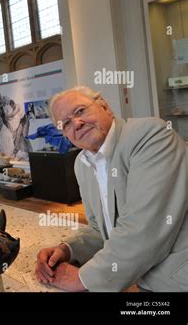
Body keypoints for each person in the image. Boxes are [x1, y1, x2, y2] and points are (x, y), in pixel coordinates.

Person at [34, 86, 187, 291]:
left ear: (105, 106)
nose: (77, 124)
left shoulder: (151, 136)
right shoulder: (83, 163)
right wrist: (68, 249)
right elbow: (103, 229)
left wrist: (83, 278)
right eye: (66, 123)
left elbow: (144, 230)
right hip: (145, 282)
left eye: (80, 111)